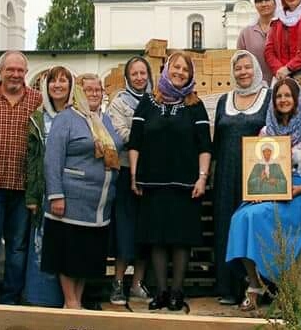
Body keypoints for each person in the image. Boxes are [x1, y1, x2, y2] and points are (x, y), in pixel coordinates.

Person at [226, 78, 301, 311]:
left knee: (260, 215)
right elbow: (258, 169)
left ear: (296, 99)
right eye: (279, 96)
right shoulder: (266, 130)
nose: (283, 100)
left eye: (288, 95)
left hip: (300, 193)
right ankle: (254, 283)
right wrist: (258, 191)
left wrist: (298, 189)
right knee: (240, 217)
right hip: (270, 189)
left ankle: (278, 284)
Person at [129, 52, 212, 311]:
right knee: (156, 239)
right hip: (152, 184)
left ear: (190, 74)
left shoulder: (195, 105)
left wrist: (202, 178)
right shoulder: (147, 103)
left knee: (180, 239)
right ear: (166, 70)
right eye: (175, 67)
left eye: (184, 69)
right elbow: (135, 142)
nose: (179, 72)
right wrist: (134, 175)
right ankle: (161, 292)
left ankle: (177, 291)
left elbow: (205, 146)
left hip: (185, 185)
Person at [41, 72, 121, 309]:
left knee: (86, 256)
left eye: (98, 90)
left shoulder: (104, 120)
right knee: (69, 254)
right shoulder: (66, 119)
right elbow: (52, 159)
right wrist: (56, 195)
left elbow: (118, 144)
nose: (94, 94)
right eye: (89, 90)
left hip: (98, 204)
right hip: (71, 201)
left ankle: (76, 300)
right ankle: (71, 302)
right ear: (78, 93)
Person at [0, 51, 43, 305]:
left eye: (20, 70)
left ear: (25, 73)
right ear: (0, 71)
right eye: (10, 70)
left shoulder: (37, 100)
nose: (15, 74)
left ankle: (11, 300)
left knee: (17, 248)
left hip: (22, 186)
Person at [212, 51, 270, 305]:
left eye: (248, 67)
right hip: (226, 173)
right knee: (226, 225)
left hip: (257, 174)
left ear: (255, 69)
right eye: (238, 68)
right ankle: (228, 287)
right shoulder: (225, 100)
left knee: (253, 227)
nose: (243, 72)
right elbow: (217, 143)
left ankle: (258, 286)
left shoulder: (268, 98)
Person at [22, 66, 73, 308]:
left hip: (74, 192)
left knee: (69, 243)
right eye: (53, 82)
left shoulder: (80, 115)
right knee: (43, 244)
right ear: (46, 86)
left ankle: (71, 299)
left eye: (64, 81)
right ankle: (42, 299)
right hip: (45, 191)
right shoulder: (39, 117)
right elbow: (32, 159)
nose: (58, 86)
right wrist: (32, 196)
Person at [104, 57, 153, 306]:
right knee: (125, 230)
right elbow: (119, 134)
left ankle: (137, 284)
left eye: (143, 72)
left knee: (145, 230)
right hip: (125, 172)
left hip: (152, 175)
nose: (139, 77)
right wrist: (149, 135)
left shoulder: (157, 100)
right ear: (127, 76)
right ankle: (118, 283)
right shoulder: (119, 102)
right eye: (134, 73)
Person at [237, 0, 277, 83]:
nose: (263, 4)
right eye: (259, 1)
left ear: (275, 3)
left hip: (281, 83)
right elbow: (240, 59)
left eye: (267, 0)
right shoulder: (246, 32)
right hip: (255, 84)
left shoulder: (284, 28)